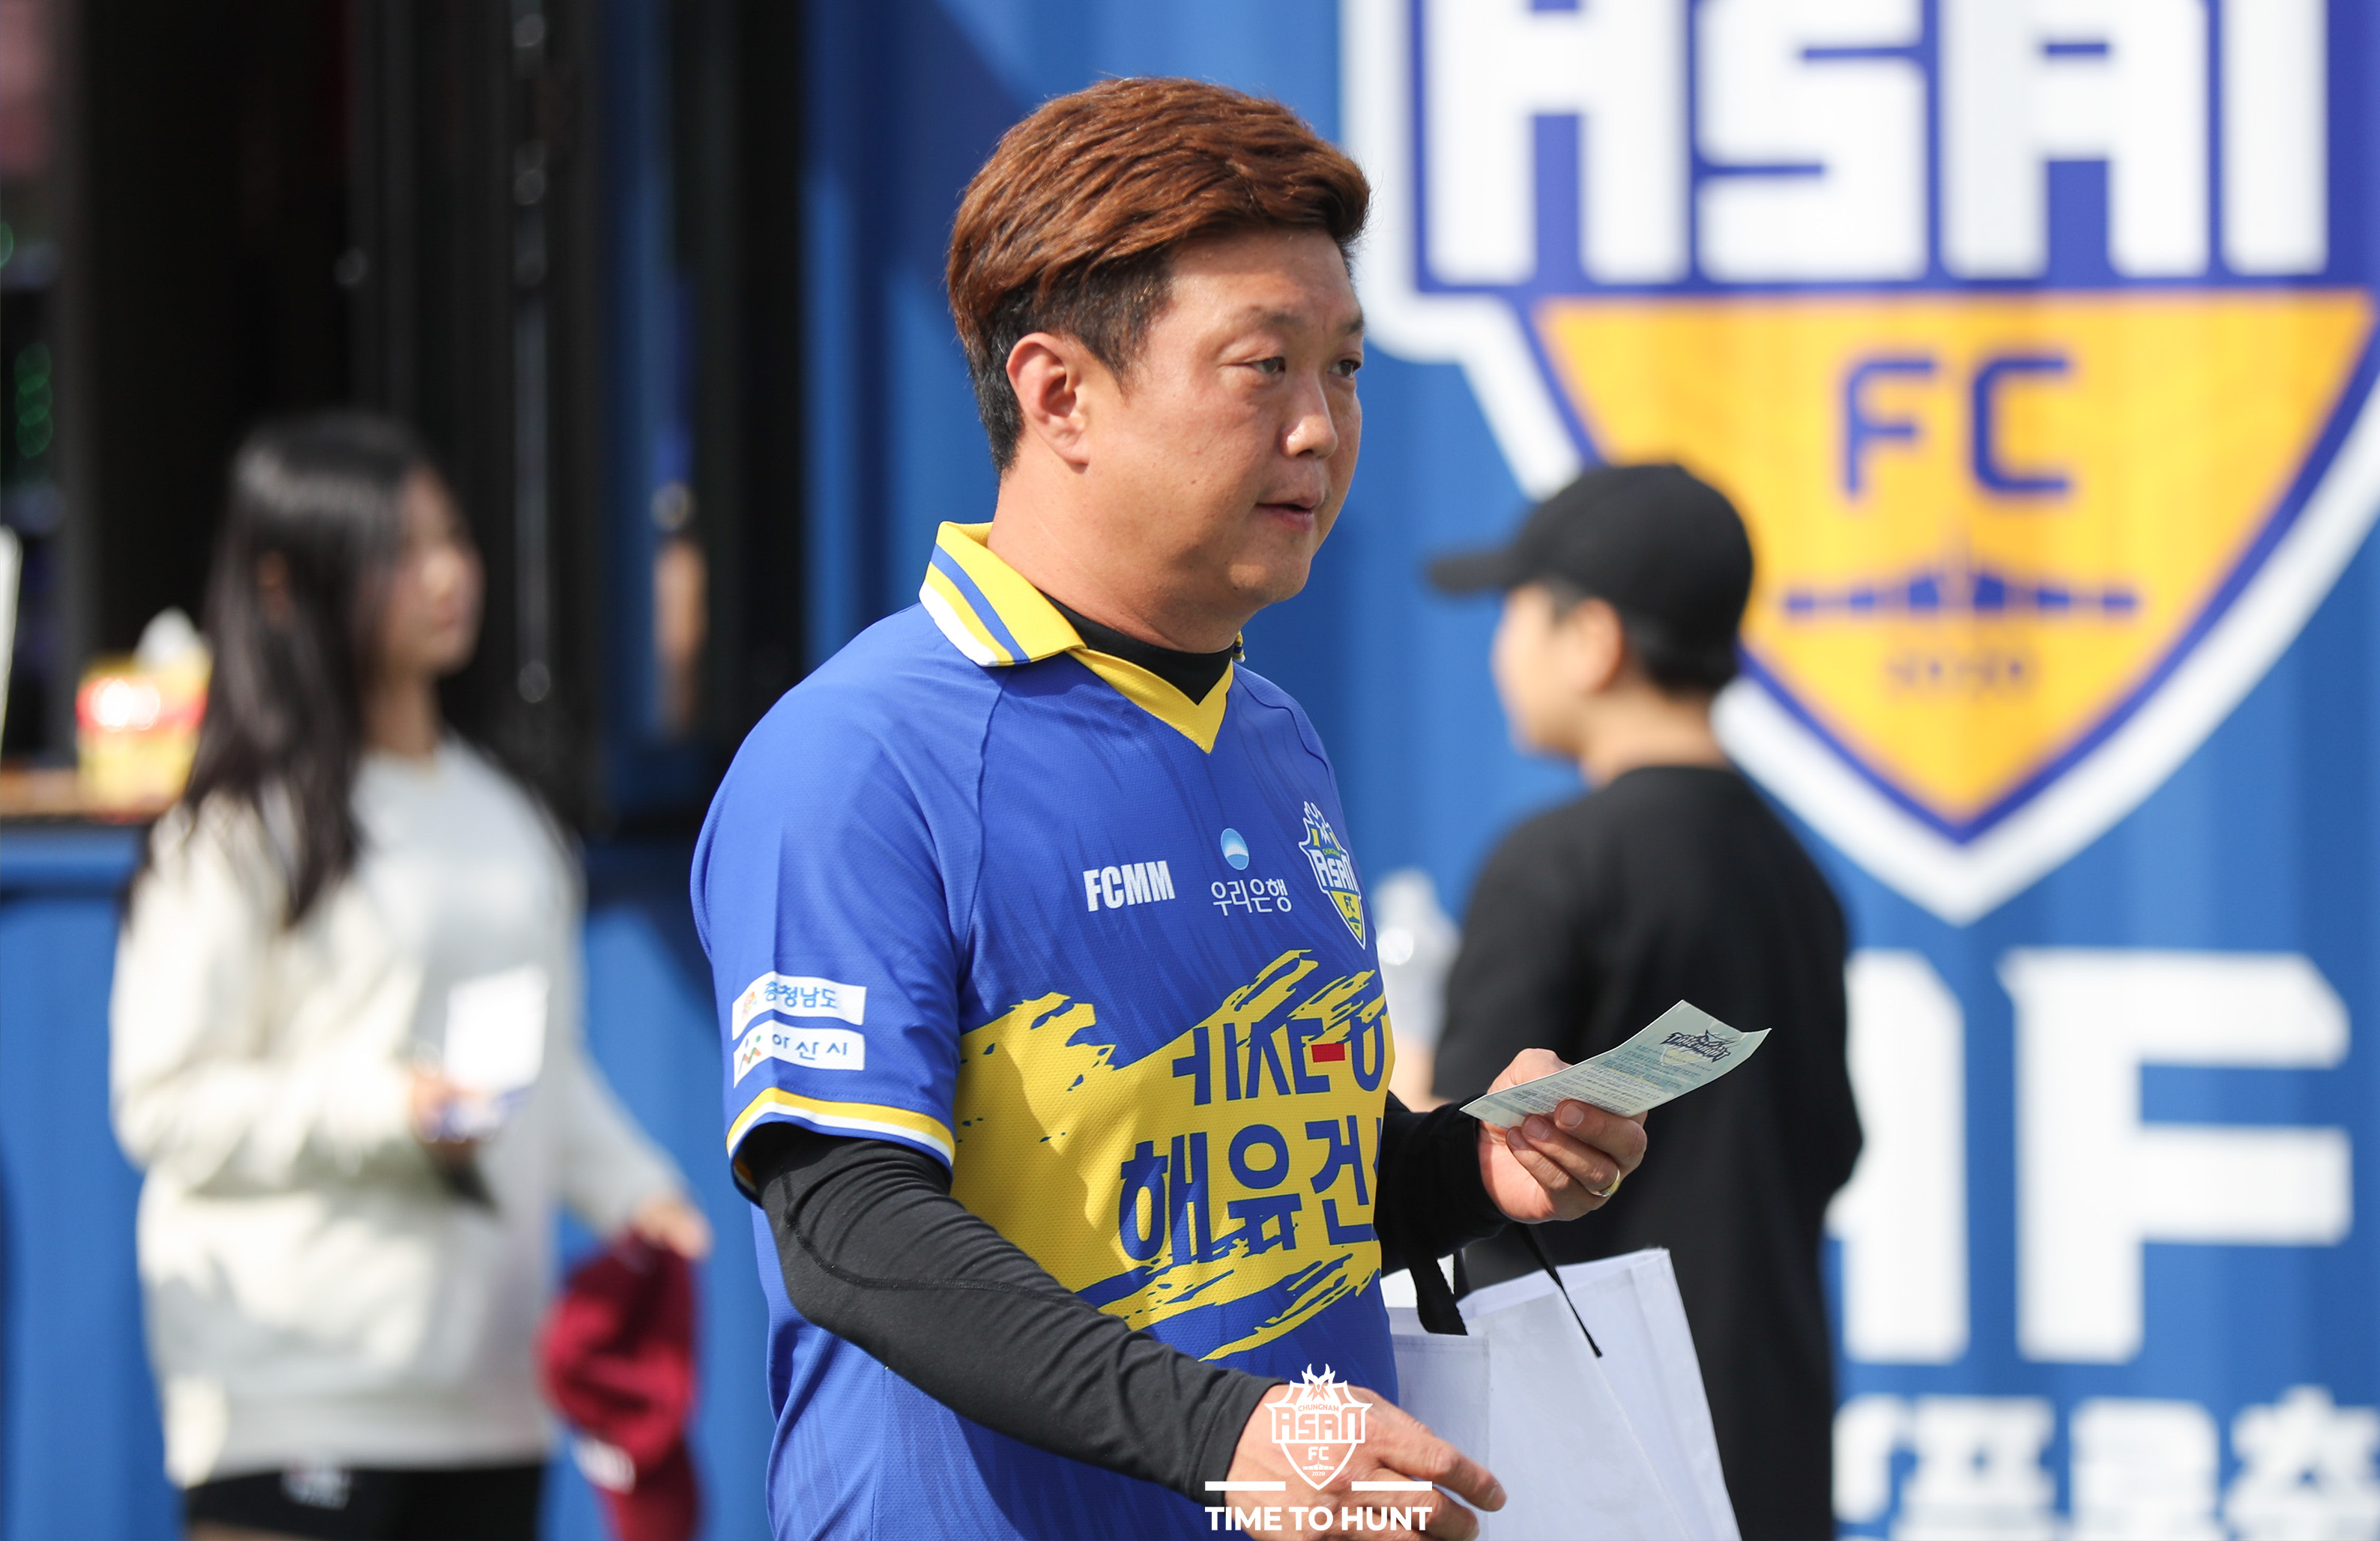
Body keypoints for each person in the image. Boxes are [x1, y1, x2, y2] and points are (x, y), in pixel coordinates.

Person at [692, 76, 1649, 1541]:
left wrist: (1467, 1166)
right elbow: (848, 1224)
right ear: (1057, 394)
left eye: (1344, 368)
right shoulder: (859, 754)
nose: (1319, 428)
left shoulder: (1270, 736)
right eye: (1262, 367)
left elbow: (1265, 1205)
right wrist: (1230, 1438)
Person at [112, 413, 713, 1541]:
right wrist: (386, 1108)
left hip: (490, 1399)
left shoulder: (511, 820)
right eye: (397, 549)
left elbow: (538, 1069)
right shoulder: (235, 834)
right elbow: (165, 1103)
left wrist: (640, 1195)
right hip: (292, 1389)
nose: (446, 573)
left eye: (453, 538)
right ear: (286, 583)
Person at [1426, 463, 1863, 1541]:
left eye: (1518, 610)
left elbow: (1465, 1166)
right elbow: (1830, 1143)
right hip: (1765, 1450)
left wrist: (1388, 1087)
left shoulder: (1557, 864)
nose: (1502, 648)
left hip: (1594, 1463)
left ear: (1592, 639)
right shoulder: (1796, 877)